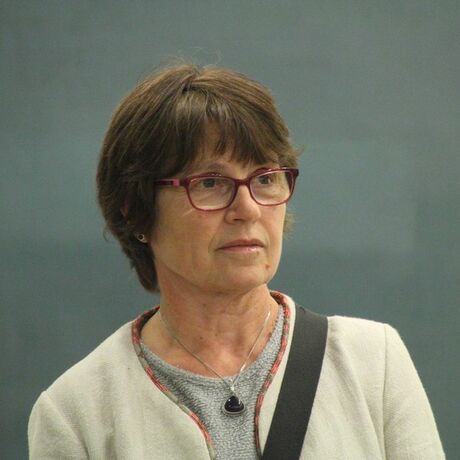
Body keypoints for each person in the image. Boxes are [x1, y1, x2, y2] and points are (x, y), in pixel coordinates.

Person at [28, 63, 444, 459]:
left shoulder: (374, 363)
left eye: (265, 178)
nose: (248, 209)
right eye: (210, 182)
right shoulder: (74, 413)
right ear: (134, 211)